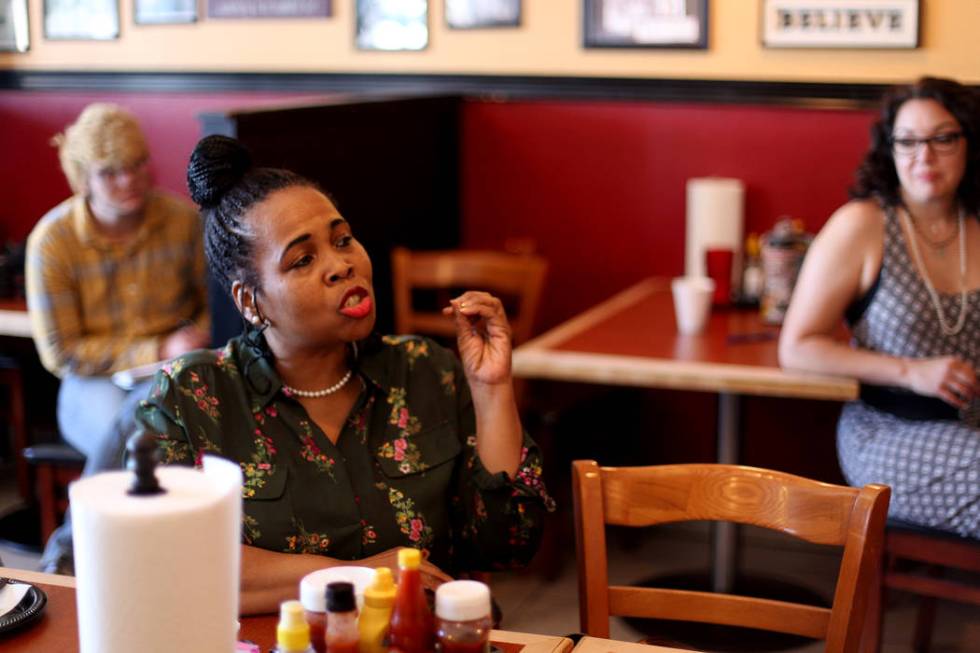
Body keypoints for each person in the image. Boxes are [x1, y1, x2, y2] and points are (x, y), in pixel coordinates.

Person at [134, 134, 552, 615]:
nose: (342, 265)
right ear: (250, 301)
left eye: (343, 239)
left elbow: (509, 542)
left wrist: (491, 388)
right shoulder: (194, 395)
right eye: (303, 260)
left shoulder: (424, 370)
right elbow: (171, 560)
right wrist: (360, 577)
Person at [779, 77, 979, 538]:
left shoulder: (975, 222)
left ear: (969, 142)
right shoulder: (863, 225)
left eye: (942, 139)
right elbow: (798, 348)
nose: (923, 157)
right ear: (889, 150)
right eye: (907, 141)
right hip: (892, 433)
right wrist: (912, 371)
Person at [25, 103, 210, 572]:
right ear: (83, 178)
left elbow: (217, 305)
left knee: (153, 417)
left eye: (136, 165)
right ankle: (109, 560)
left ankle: (81, 554)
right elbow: (60, 351)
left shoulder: (182, 221)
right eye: (111, 172)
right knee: (139, 429)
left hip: (172, 376)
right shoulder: (53, 240)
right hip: (92, 384)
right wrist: (156, 348)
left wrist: (194, 336)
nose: (129, 180)